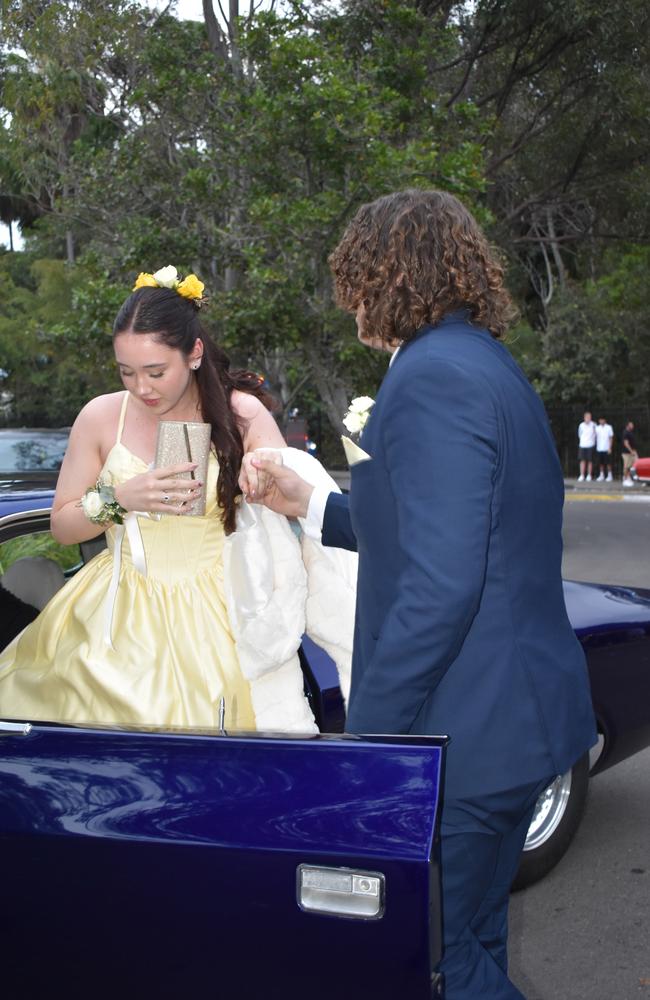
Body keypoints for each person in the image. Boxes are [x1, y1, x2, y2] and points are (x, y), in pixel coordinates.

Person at [242, 189, 597, 999]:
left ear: (384, 274)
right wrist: (312, 507)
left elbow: (442, 585)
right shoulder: (484, 361)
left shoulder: (432, 376)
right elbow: (451, 527)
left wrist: (373, 737)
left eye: (354, 278)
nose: (349, 300)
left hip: (465, 733)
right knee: (475, 933)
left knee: (438, 961)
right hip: (523, 718)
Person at [0, 266, 290, 730]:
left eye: (156, 372)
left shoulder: (243, 413)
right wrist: (120, 498)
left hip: (221, 609)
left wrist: (262, 483)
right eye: (127, 372)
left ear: (194, 354)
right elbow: (61, 524)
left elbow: (295, 506)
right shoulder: (100, 416)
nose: (142, 388)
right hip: (116, 613)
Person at [577, 411, 596, 481]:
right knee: (582, 460)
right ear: (584, 418)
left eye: (589, 417)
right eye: (587, 417)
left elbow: (595, 434)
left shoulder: (593, 425)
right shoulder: (581, 425)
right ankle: (582, 475)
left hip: (590, 445)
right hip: (582, 445)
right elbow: (579, 435)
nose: (588, 418)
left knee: (590, 461)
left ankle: (589, 475)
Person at [595, 417, 614, 481]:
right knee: (601, 463)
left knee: (608, 463)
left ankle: (610, 475)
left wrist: (610, 448)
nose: (601, 421)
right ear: (599, 420)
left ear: (605, 420)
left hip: (606, 448)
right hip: (599, 448)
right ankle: (601, 475)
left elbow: (611, 438)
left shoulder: (609, 427)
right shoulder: (597, 428)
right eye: (600, 420)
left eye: (603, 420)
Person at [621, 420, 638, 486]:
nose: (632, 426)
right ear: (628, 426)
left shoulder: (630, 432)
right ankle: (625, 479)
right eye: (631, 425)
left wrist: (634, 451)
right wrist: (631, 451)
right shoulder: (625, 433)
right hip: (627, 453)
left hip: (633, 452)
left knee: (634, 466)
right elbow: (626, 443)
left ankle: (631, 478)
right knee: (626, 466)